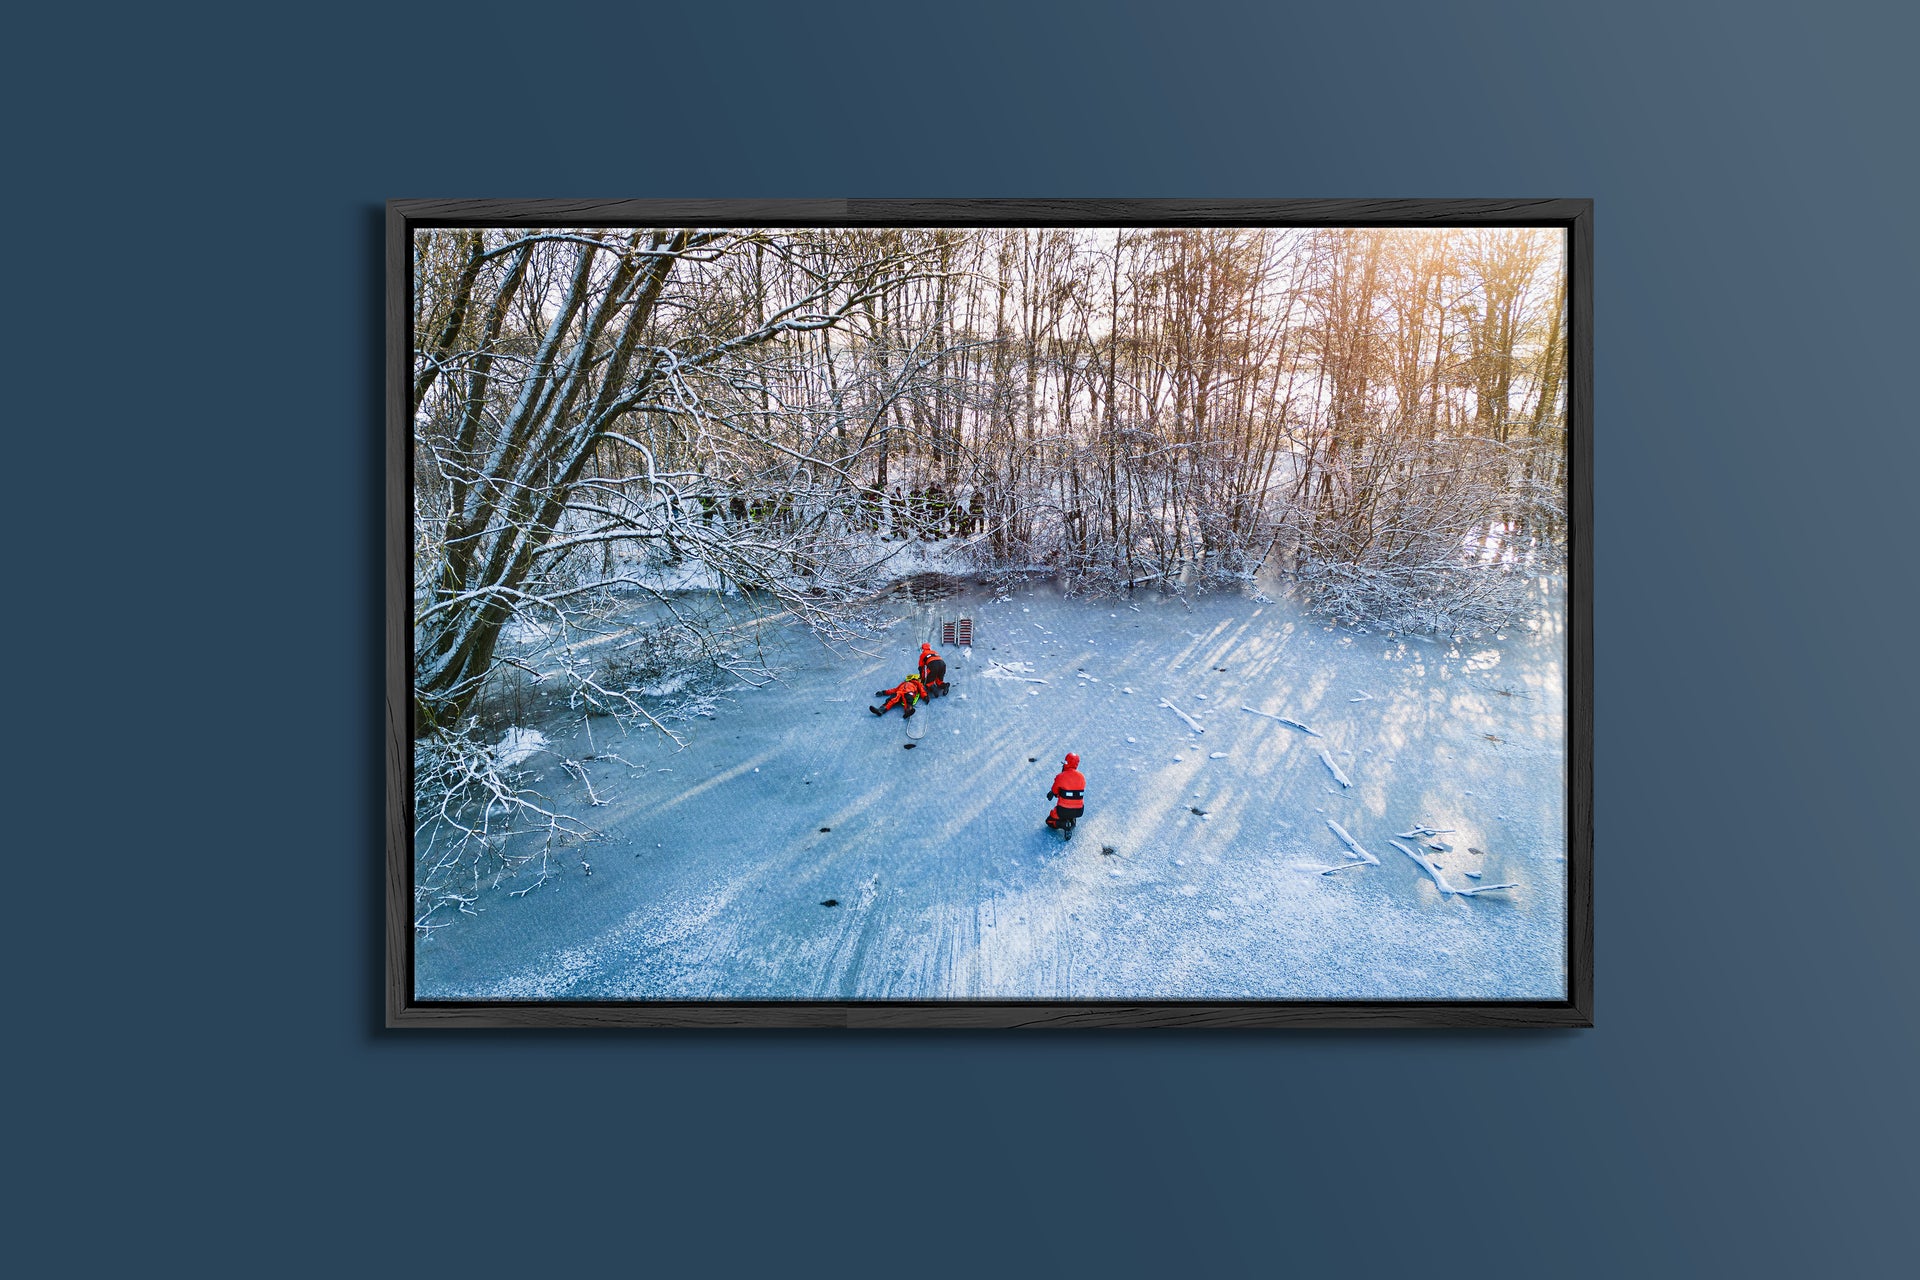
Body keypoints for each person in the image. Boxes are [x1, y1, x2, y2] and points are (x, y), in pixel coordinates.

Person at [1045, 752, 1087, 834]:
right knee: (1071, 812)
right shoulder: (1082, 777)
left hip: (1063, 810)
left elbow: (1055, 791)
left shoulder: (1061, 776)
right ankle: (1071, 823)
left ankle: (1064, 824)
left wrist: (1054, 793)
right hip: (1079, 810)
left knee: (1049, 821)